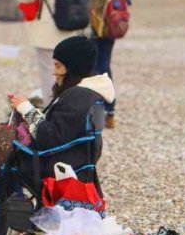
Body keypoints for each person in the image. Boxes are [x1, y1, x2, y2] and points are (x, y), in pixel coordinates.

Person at [8, 36, 114, 193]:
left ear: (72, 68)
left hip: (53, 164)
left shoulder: (77, 97)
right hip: (73, 161)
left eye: (58, 66)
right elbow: (61, 129)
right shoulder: (89, 93)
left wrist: (25, 107)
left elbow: (48, 137)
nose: (53, 72)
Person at [84, 0, 123, 128]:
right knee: (105, 66)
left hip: (93, 22)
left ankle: (97, 117)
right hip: (112, 21)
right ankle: (111, 112)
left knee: (93, 69)